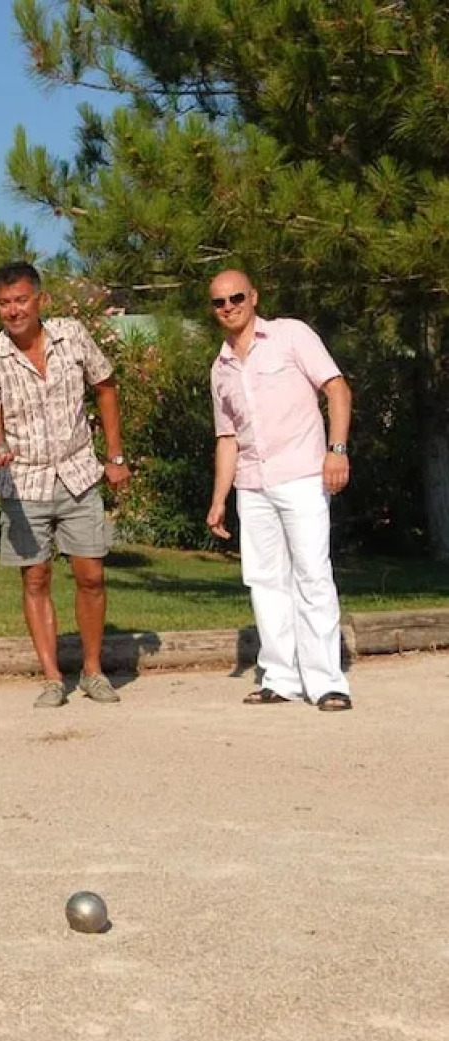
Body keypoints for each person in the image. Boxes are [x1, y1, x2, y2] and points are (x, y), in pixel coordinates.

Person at [0, 261, 131, 708]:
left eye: (21, 300)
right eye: (4, 303)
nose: (13, 310)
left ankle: (94, 671)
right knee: (36, 577)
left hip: (79, 473)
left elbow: (106, 386)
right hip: (24, 483)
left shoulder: (72, 335)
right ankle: (51, 677)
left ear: (39, 299)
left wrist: (114, 456)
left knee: (91, 575)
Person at [205, 270, 353, 711]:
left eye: (235, 297)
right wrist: (218, 499)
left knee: (312, 574)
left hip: (304, 475)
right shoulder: (221, 368)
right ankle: (280, 678)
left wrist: (337, 451)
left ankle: (328, 682)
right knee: (265, 582)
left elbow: (337, 388)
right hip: (252, 485)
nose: (228, 306)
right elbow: (227, 438)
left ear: (253, 297)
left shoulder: (291, 335)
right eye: (219, 302)